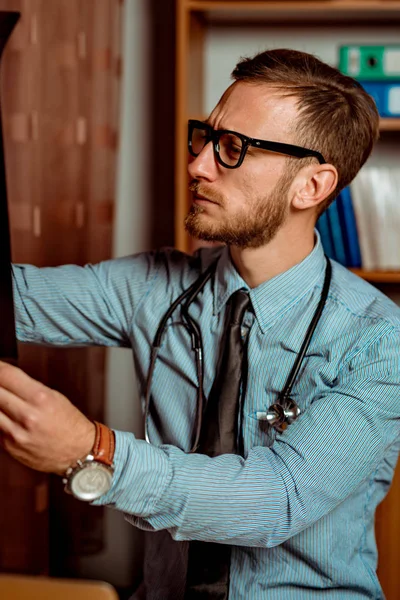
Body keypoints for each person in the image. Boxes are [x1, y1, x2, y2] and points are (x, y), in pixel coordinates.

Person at [0, 48, 399, 599]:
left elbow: (274, 500)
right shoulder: (156, 285)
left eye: (233, 149)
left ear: (311, 186)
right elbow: (13, 299)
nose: (198, 165)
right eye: (205, 137)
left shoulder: (379, 340)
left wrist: (93, 451)